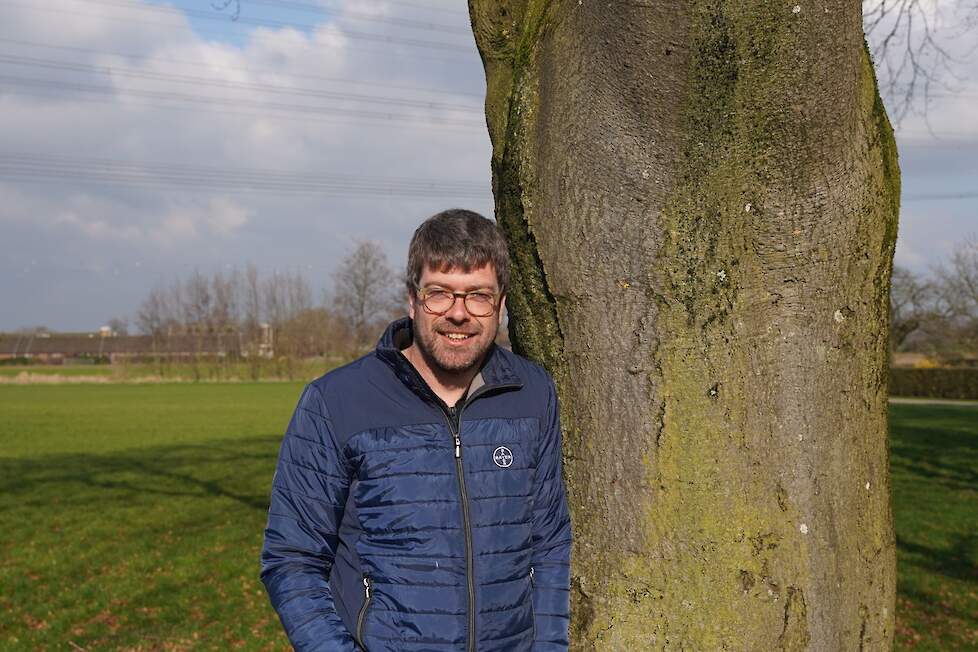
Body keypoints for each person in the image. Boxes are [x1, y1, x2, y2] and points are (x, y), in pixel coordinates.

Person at [260, 209, 572, 652]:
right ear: (412, 299)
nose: (458, 313)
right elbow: (292, 559)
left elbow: (550, 544)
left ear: (501, 305)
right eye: (439, 294)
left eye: (478, 296)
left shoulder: (532, 392)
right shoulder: (336, 401)